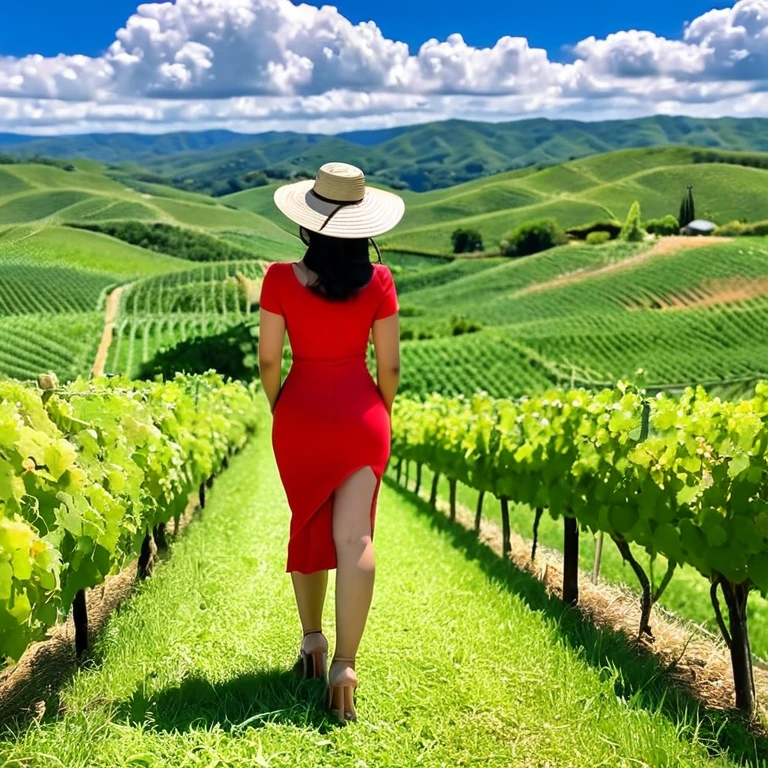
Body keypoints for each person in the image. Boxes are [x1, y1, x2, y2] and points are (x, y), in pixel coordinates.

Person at [258, 162, 404, 724]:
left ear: (308, 223)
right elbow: (388, 365)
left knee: (307, 521)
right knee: (355, 535)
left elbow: (270, 359)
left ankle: (313, 642)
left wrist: (280, 404)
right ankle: (345, 665)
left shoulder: (277, 278)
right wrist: (378, 413)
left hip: (301, 413)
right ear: (364, 227)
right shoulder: (380, 283)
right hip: (362, 415)